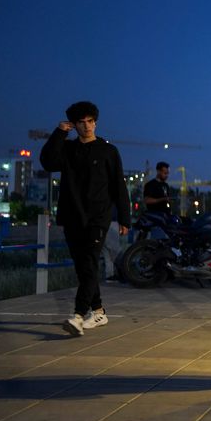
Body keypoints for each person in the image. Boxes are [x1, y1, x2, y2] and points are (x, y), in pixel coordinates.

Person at [40, 101, 131, 336]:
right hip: (72, 216)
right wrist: (59, 133)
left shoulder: (109, 151)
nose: (87, 126)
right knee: (84, 266)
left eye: (90, 121)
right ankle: (99, 311)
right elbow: (48, 162)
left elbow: (119, 186)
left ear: (96, 123)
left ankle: (78, 316)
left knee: (89, 262)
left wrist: (124, 218)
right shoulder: (68, 150)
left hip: (98, 218)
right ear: (74, 124)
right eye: (81, 122)